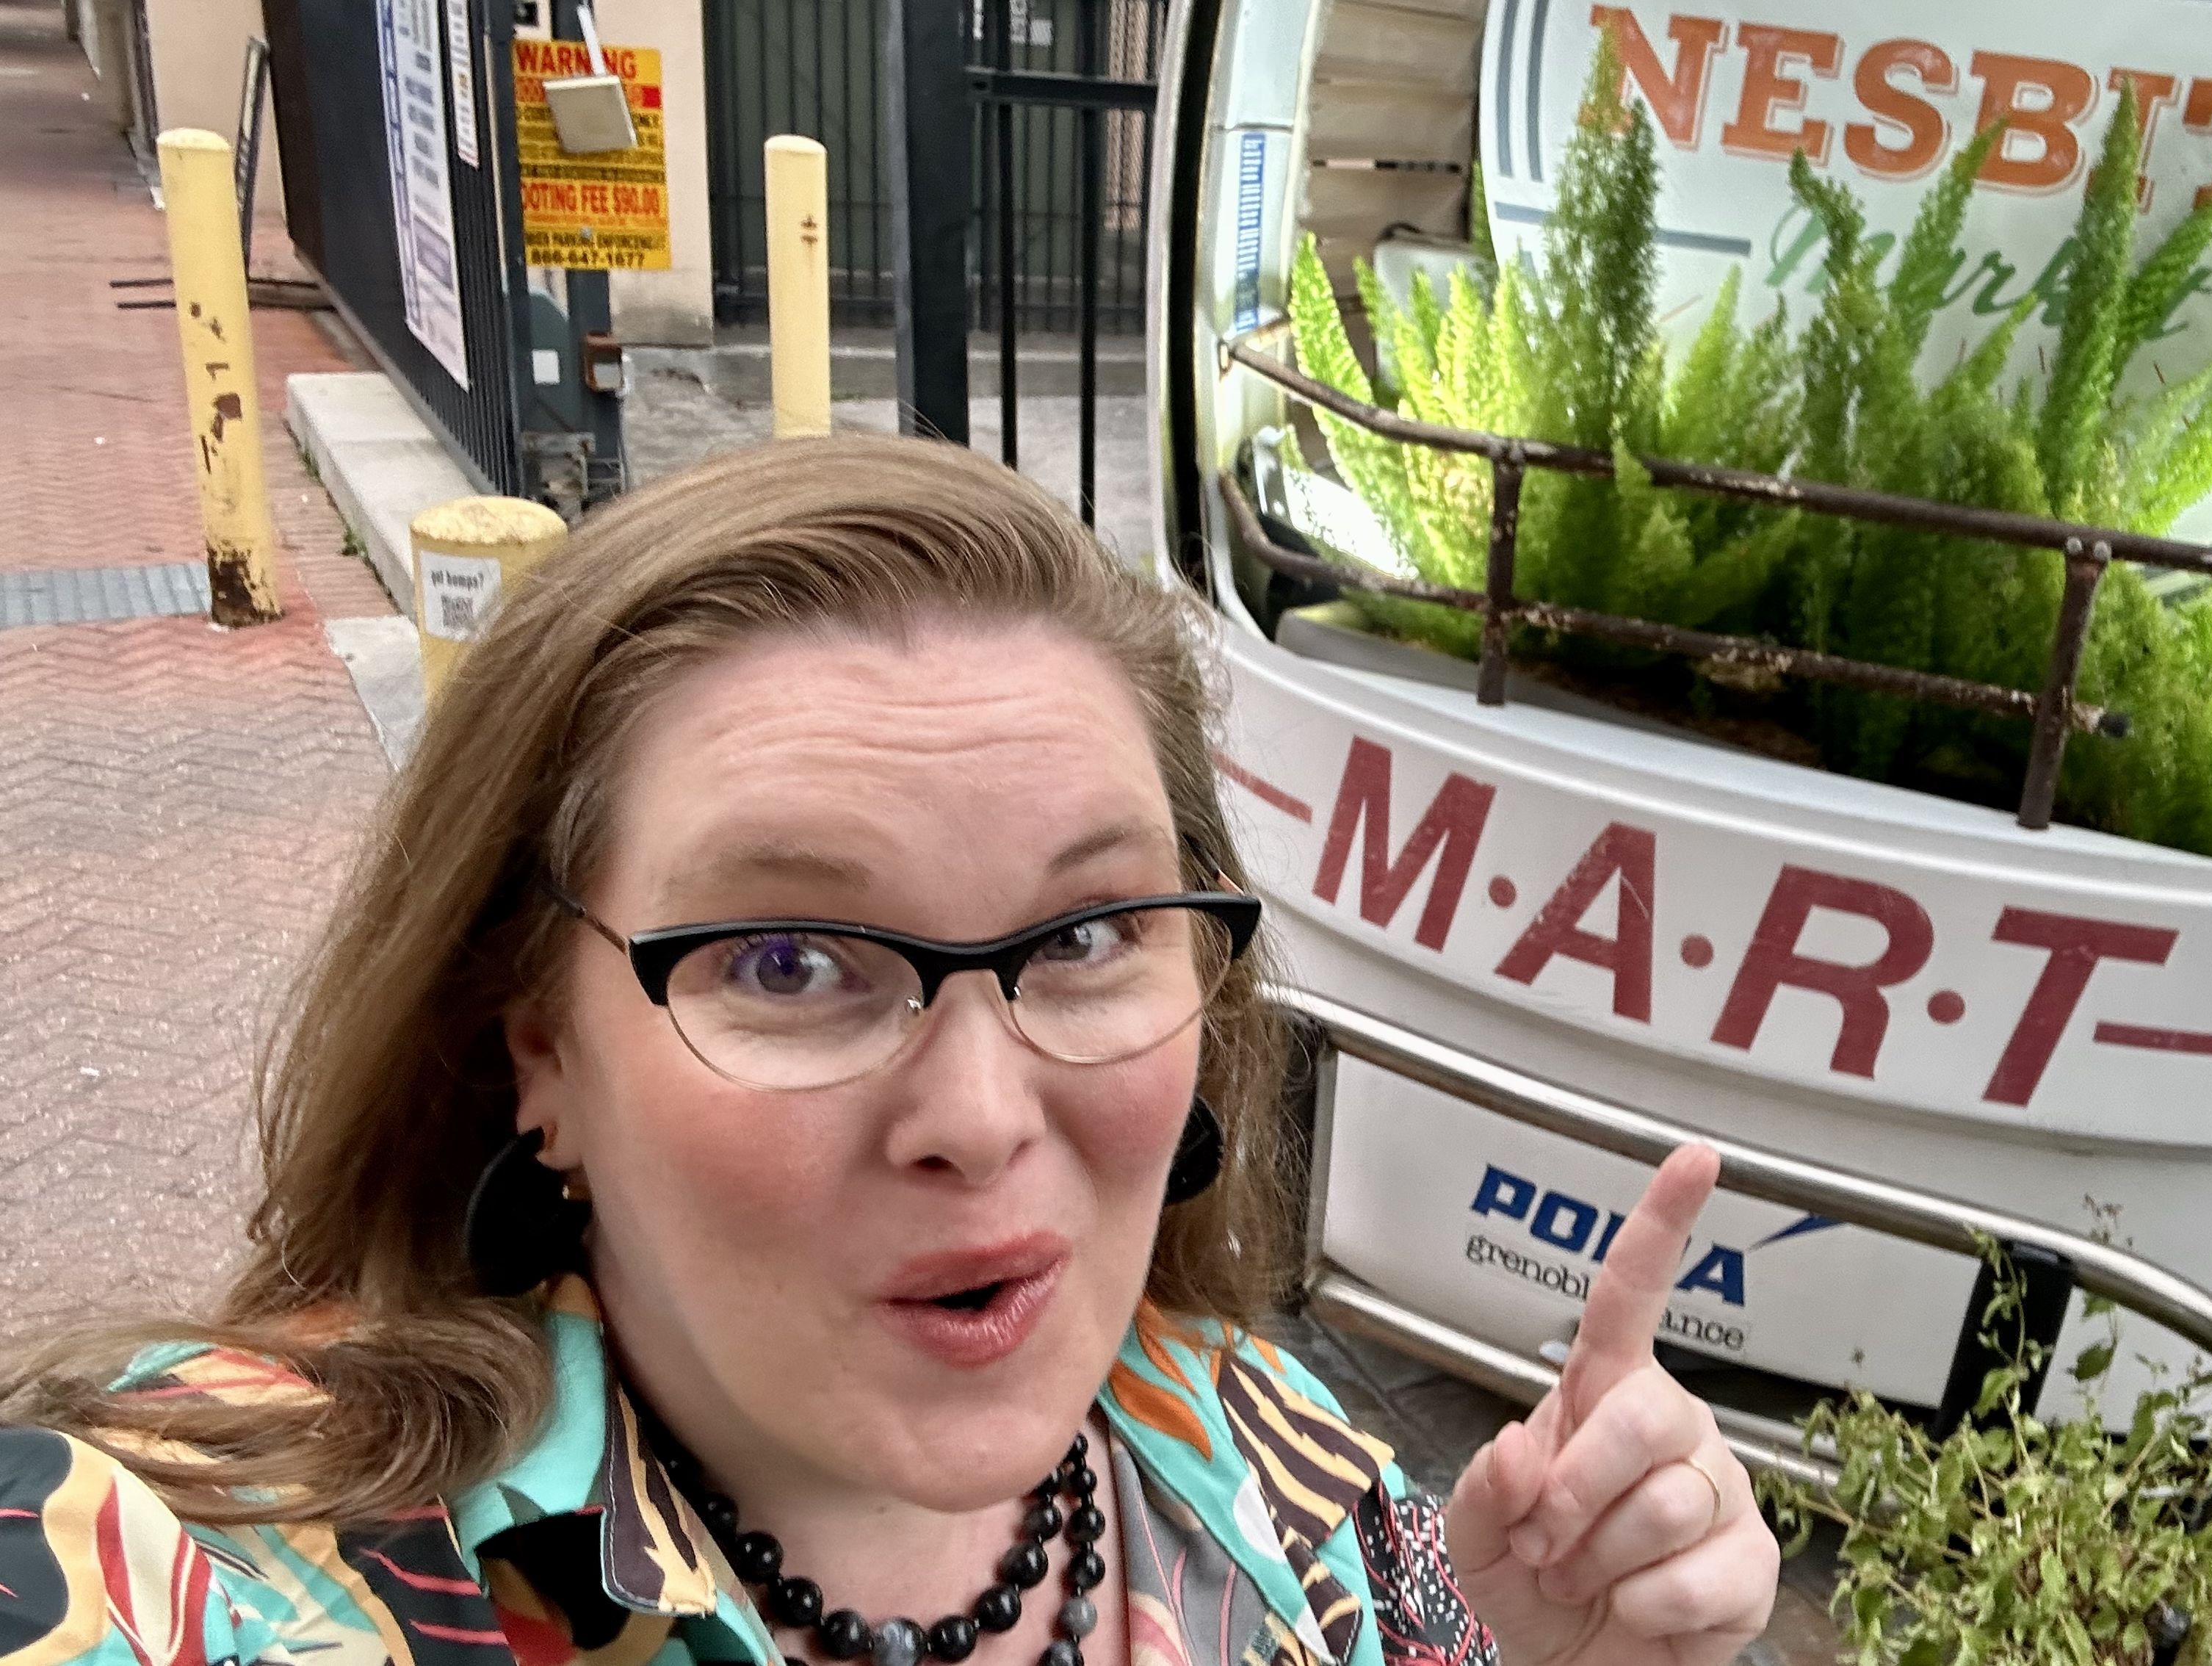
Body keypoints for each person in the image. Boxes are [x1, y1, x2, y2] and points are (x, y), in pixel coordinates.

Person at [0, 436, 1779, 1666]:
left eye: (1084, 939)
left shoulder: (1272, 1448)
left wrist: (1517, 1635)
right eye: (790, 960)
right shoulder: (189, 1566)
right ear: (535, 1046)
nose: (981, 1116)